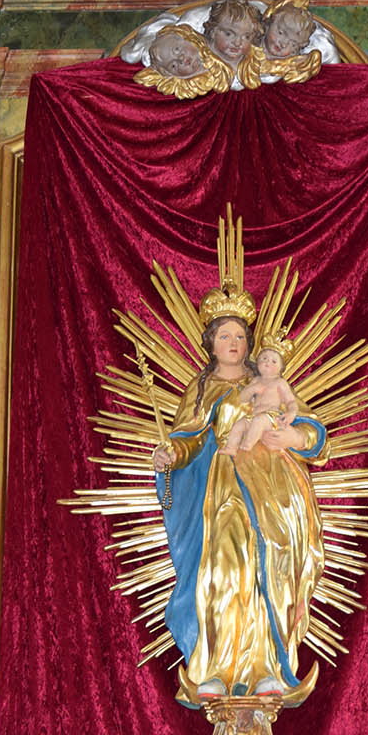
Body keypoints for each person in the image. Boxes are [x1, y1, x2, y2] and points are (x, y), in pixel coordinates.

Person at [151, 285, 329, 705]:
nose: (234, 343)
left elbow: (313, 432)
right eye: (225, 335)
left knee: (267, 568)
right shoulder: (200, 389)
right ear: (210, 342)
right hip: (222, 491)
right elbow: (188, 438)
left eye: (241, 336)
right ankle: (216, 666)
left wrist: (294, 436)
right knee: (223, 571)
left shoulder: (266, 381)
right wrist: (169, 453)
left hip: (271, 493)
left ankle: (266, 666)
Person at [221, 336, 298, 456]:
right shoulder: (256, 380)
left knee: (258, 421)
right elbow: (243, 398)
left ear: (281, 368)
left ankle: (246, 446)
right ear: (257, 362)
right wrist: (252, 389)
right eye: (264, 358)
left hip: (271, 417)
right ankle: (231, 447)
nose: (267, 362)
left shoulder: (280, 382)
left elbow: (290, 401)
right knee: (239, 425)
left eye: (273, 361)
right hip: (253, 415)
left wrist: (291, 413)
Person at [203, 0, 264, 70]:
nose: (237, 43)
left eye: (246, 37)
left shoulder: (252, 62)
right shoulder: (201, 57)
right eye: (228, 34)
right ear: (213, 31)